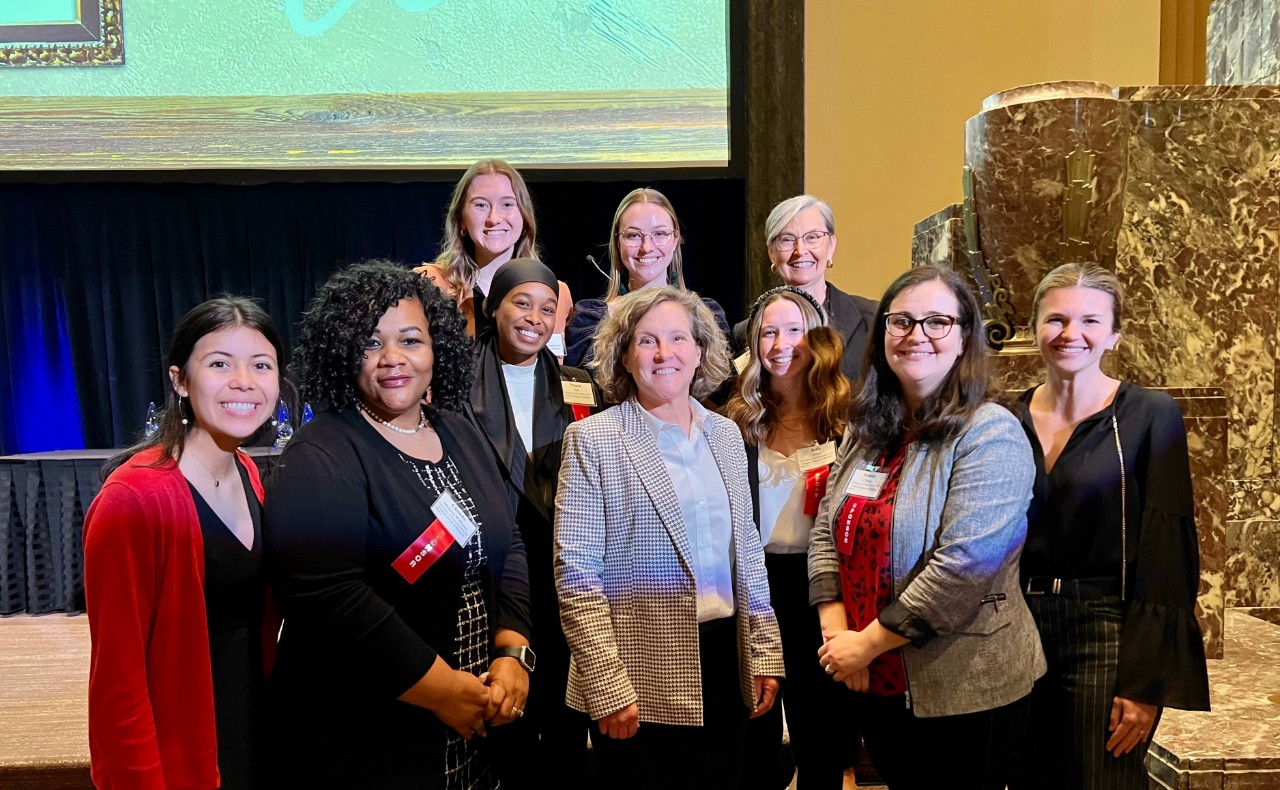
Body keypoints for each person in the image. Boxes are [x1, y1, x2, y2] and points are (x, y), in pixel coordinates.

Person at [263, 260, 533, 789]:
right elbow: (330, 599)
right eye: (370, 343)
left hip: (476, 730)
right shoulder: (320, 453)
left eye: (410, 340)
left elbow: (510, 541)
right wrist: (444, 692)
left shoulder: (459, 431)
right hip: (369, 741)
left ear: (436, 348)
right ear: (343, 352)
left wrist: (513, 652)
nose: (393, 358)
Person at [809, 265, 1046, 790]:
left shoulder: (991, 432)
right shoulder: (868, 428)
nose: (916, 335)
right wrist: (836, 629)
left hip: (965, 687)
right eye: (902, 321)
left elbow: (965, 568)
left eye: (937, 321)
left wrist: (866, 644)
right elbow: (828, 525)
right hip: (876, 680)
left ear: (964, 338)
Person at [555, 286, 785, 789]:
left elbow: (748, 552)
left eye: (679, 338)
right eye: (647, 341)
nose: (665, 354)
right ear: (624, 355)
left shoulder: (726, 435)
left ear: (700, 351)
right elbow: (576, 576)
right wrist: (607, 686)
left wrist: (765, 651)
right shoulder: (593, 439)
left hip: (726, 662)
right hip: (636, 671)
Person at [1010, 263, 1210, 790]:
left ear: (1115, 335)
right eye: (1056, 319)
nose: (1070, 333)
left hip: (1103, 629)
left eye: (1090, 321)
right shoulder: (1003, 419)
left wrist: (1145, 682)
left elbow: (1167, 550)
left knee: (1104, 779)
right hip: (1015, 625)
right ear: (1034, 328)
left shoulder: (1150, 415)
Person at [84, 297, 284, 790]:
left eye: (261, 365)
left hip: (252, 737)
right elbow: (118, 683)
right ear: (180, 381)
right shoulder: (133, 499)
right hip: (182, 758)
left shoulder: (248, 473)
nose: (244, 381)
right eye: (220, 364)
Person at [464, 258, 599, 787]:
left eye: (546, 309)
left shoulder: (578, 383)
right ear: (494, 307)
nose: (534, 319)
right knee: (502, 722)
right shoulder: (455, 382)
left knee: (564, 718)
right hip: (491, 568)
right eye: (521, 304)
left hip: (563, 567)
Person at [724, 286, 856, 790]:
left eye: (795, 331)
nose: (781, 345)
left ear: (816, 337)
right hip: (755, 589)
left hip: (822, 589)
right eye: (769, 332)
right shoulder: (735, 420)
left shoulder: (845, 419)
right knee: (754, 735)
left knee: (820, 738)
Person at [564, 187, 729, 368]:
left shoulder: (707, 315)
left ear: (676, 239)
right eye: (633, 235)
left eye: (660, 234)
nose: (646, 247)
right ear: (618, 243)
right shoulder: (590, 320)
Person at [416, 159, 573, 341]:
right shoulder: (429, 284)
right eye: (481, 205)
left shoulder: (557, 294)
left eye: (507, 204)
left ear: (524, 217)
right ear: (461, 220)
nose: (494, 218)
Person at [732, 195, 877, 382]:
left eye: (812, 237)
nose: (800, 251)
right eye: (787, 240)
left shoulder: (872, 320)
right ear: (771, 253)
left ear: (831, 246)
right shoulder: (746, 332)